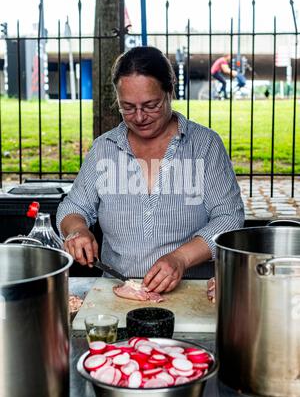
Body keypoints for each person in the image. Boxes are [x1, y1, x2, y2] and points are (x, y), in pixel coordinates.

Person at [57, 46, 244, 294]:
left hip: (190, 292)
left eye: (151, 105)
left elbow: (229, 217)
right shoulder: (105, 148)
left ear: (170, 91)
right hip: (116, 291)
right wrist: (77, 230)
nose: (139, 117)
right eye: (127, 107)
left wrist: (181, 258)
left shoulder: (204, 145)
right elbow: (73, 207)